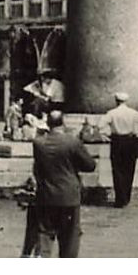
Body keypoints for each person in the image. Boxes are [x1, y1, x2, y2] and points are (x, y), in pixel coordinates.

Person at [29, 111, 96, 259]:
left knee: (45, 235)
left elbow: (38, 168)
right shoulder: (72, 142)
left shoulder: (38, 143)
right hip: (69, 195)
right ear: (63, 123)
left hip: (46, 195)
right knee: (70, 238)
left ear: (47, 123)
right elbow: (90, 165)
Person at [104, 90, 138, 208]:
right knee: (129, 169)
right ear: (126, 101)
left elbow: (100, 125)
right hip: (130, 140)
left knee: (117, 169)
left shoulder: (111, 113)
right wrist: (137, 131)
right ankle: (126, 196)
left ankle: (120, 198)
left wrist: (107, 134)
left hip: (117, 141)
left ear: (116, 101)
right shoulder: (133, 113)